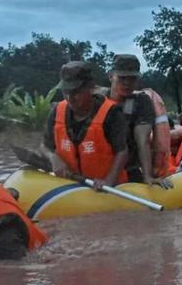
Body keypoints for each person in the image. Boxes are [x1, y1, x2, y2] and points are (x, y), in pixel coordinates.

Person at [42, 61, 129, 189]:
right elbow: (45, 146)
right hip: (70, 187)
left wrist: (108, 181)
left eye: (75, 91)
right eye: (66, 91)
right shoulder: (57, 111)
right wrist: (53, 157)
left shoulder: (112, 113)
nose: (70, 97)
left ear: (91, 87)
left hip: (107, 187)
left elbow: (122, 152)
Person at [105, 54, 171, 187]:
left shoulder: (142, 102)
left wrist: (147, 176)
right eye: (122, 78)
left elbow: (143, 141)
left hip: (128, 169)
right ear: (111, 76)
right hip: (99, 167)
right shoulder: (97, 101)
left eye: (132, 78)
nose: (127, 83)